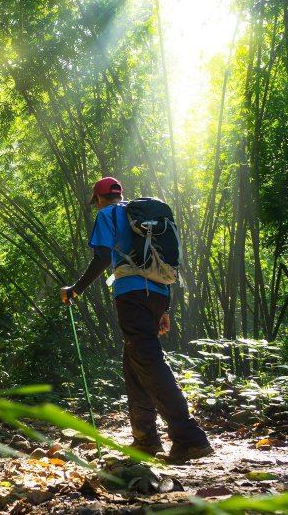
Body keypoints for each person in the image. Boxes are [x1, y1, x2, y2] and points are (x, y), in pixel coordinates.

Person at [61, 177, 213, 462]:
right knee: (134, 363)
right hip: (157, 295)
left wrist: (75, 290)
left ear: (99, 199)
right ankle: (146, 439)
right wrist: (165, 308)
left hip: (131, 295)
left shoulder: (109, 214)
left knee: (150, 361)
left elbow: (103, 258)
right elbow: (163, 263)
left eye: (96, 202)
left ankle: (190, 438)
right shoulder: (142, 217)